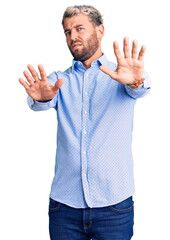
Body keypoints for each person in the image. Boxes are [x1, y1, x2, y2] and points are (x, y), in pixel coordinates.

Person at [19, 5, 151, 240]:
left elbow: (140, 88)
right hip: (64, 207)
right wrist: (41, 98)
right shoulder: (60, 80)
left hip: (114, 206)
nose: (73, 36)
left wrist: (135, 80)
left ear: (100, 31)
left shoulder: (122, 74)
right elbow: (39, 100)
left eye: (79, 28)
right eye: (68, 32)